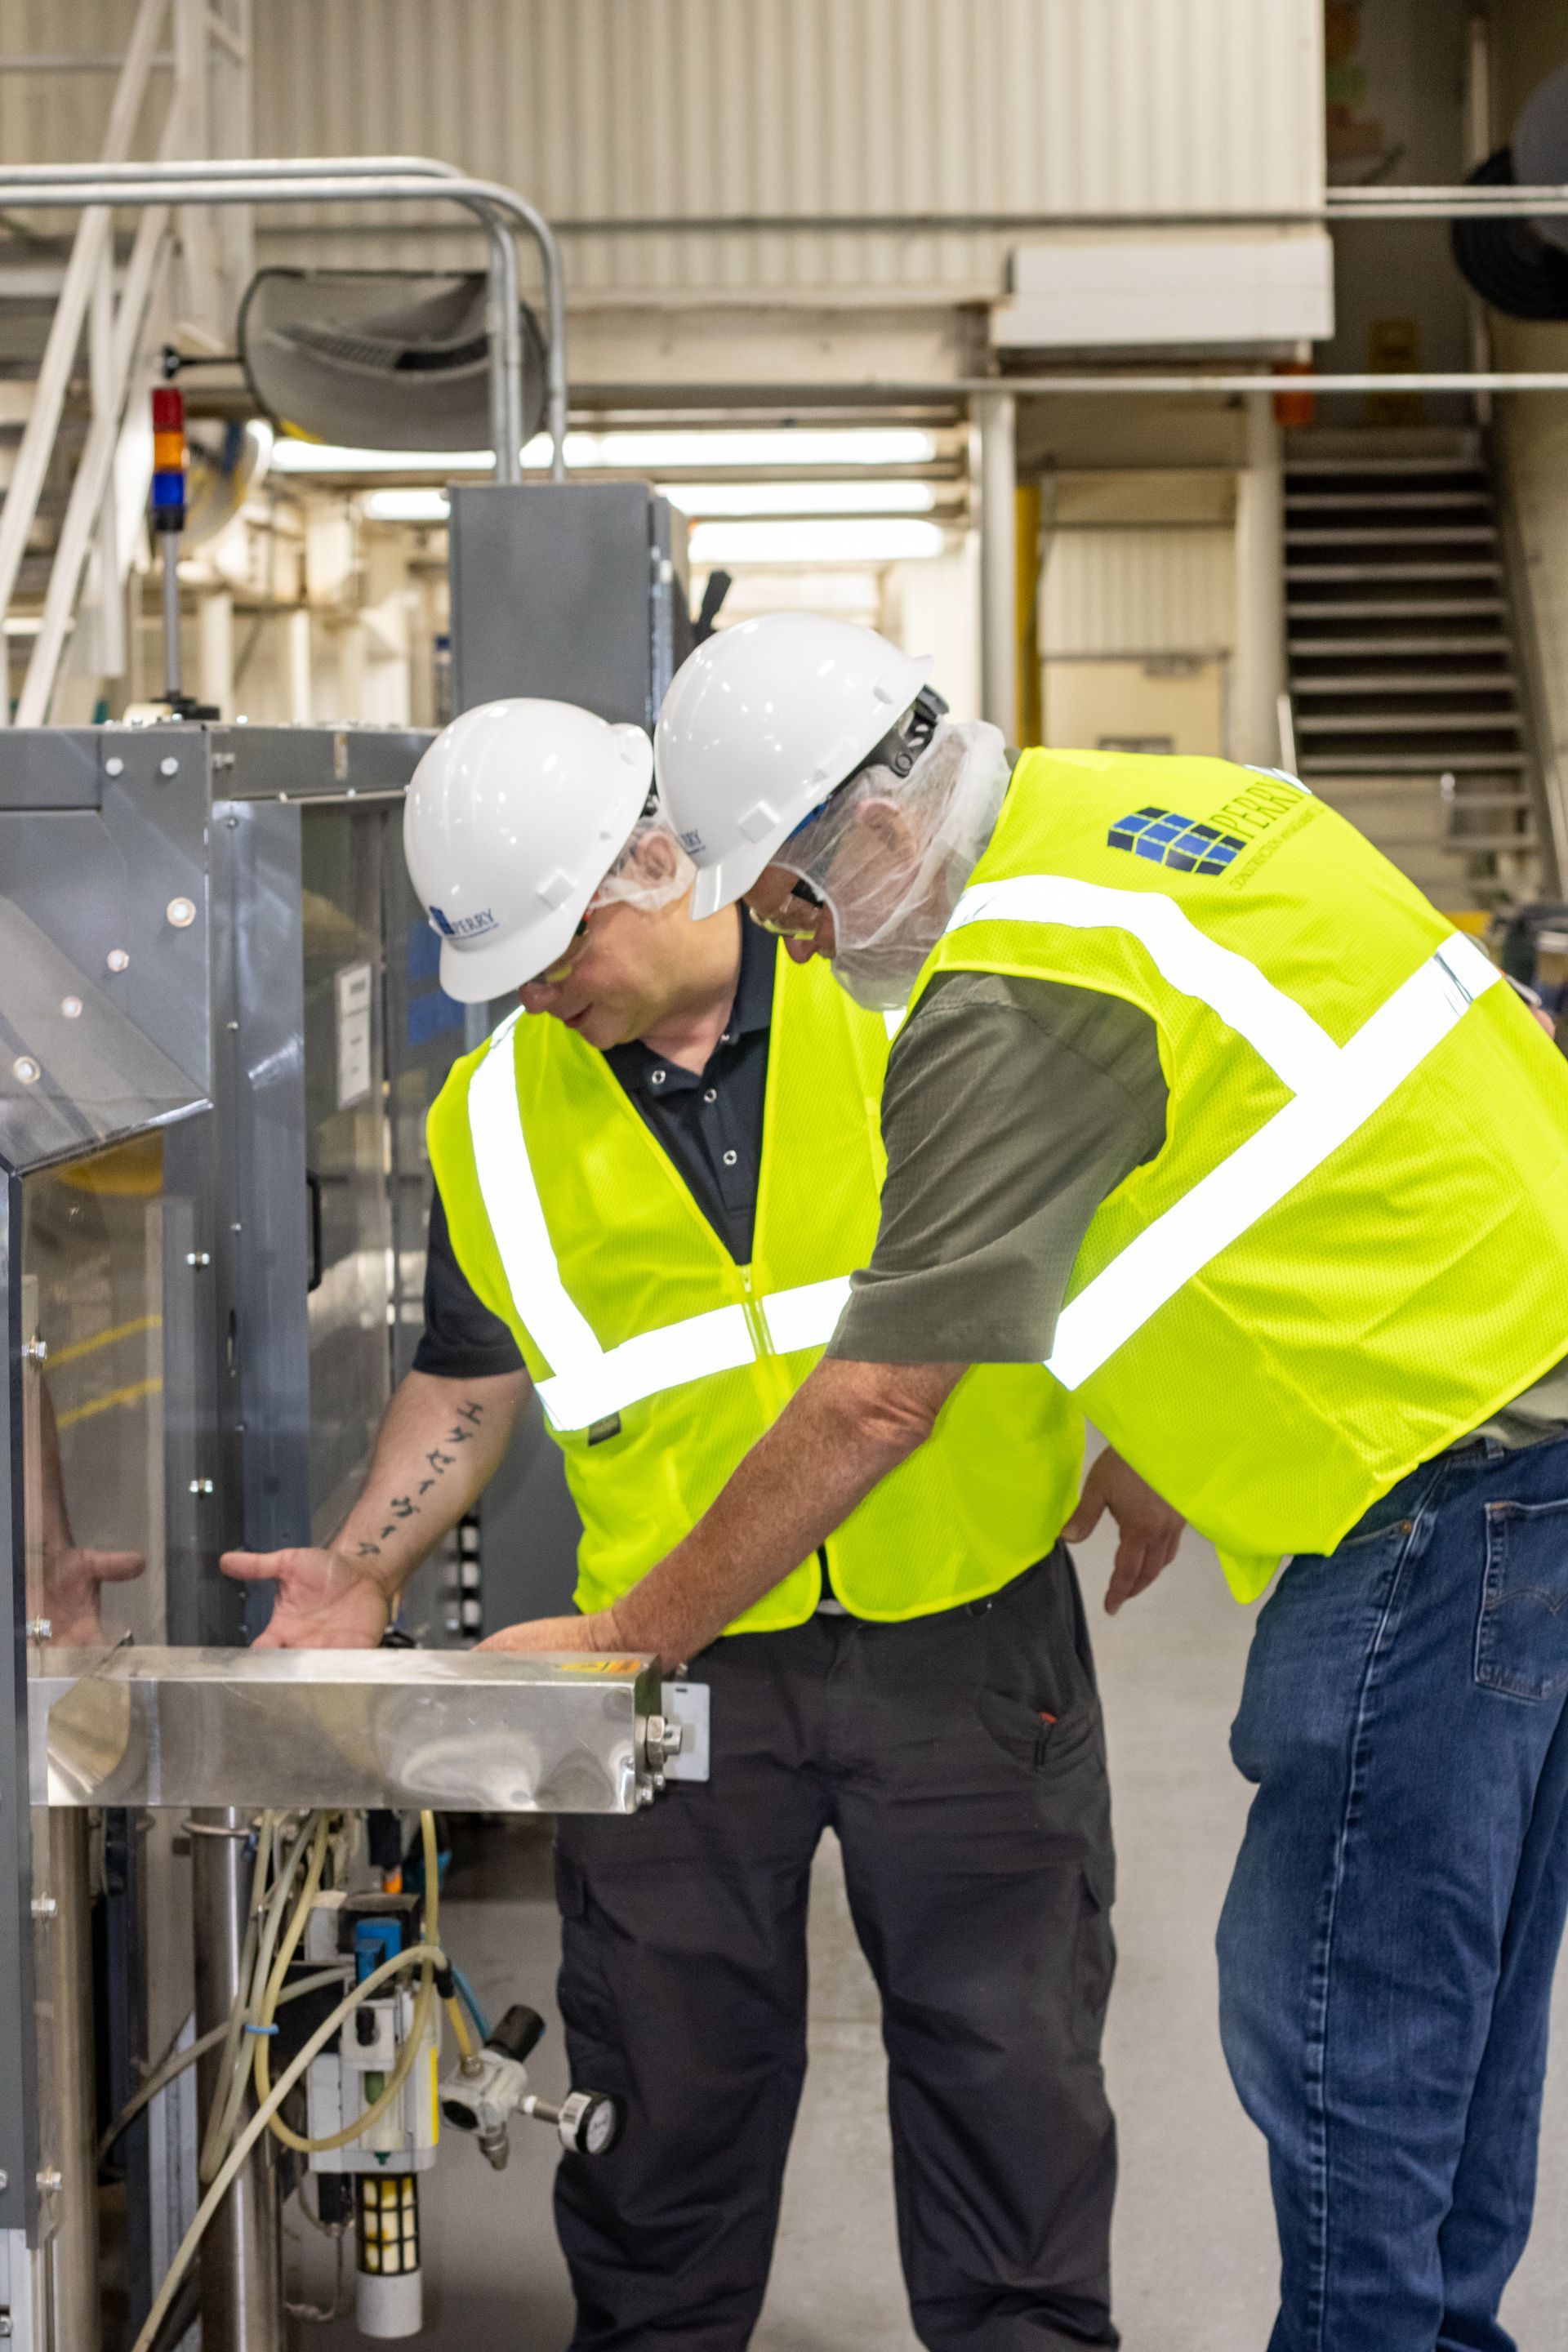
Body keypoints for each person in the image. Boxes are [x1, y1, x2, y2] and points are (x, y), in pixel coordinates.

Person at [499, 614, 1568, 2352]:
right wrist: (1163, 1419)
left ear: (878, 828)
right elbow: (1363, 1093)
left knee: (1346, 2042)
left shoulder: (1012, 980)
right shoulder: (1183, 813)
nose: (795, 940)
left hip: (1431, 1507)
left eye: (788, 900)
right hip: (1532, 1452)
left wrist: (632, 1630)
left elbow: (873, 1404)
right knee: (1467, 2036)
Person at [222, 693, 1177, 2352]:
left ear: (656, 863)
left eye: (553, 947)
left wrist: (1155, 1425)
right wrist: (363, 1563)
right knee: (667, 2106)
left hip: (966, 1632)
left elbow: (1112, 1219)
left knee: (1009, 2080)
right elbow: (467, 1376)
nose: (536, 994)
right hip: (665, 1676)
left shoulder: (902, 992)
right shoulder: (498, 1114)